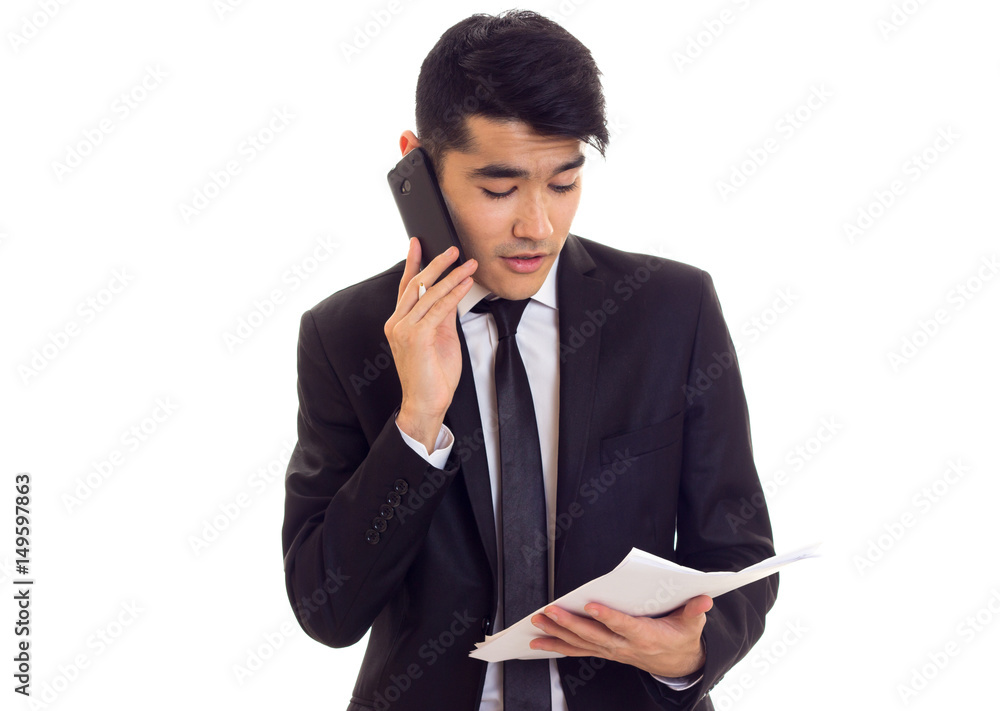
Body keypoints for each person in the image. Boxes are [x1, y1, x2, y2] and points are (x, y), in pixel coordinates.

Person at [282, 10, 777, 711]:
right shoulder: (349, 334)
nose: (536, 226)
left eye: (565, 181)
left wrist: (691, 652)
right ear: (416, 162)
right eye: (498, 188)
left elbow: (740, 550)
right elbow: (325, 609)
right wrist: (417, 421)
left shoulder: (672, 309)